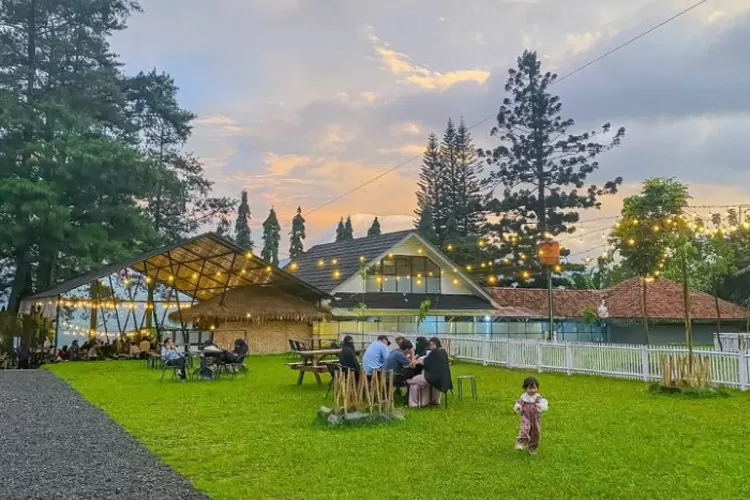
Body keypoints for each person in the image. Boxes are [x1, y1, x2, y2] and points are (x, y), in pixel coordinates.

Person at [513, 376, 549, 455]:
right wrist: (518, 407)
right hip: (526, 416)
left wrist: (542, 407)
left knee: (536, 432)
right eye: (530, 388)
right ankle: (521, 442)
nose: (532, 390)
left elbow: (544, 404)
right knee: (525, 428)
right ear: (525, 388)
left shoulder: (538, 398)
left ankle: (532, 448)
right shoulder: (524, 397)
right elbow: (519, 403)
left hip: (536, 418)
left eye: (534, 388)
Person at [422, 337, 452, 405]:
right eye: (430, 344)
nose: (432, 346)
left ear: (437, 344)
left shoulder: (434, 353)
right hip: (445, 377)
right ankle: (434, 399)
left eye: (433, 344)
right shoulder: (442, 351)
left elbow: (426, 363)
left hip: (436, 378)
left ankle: (424, 401)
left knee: (421, 378)